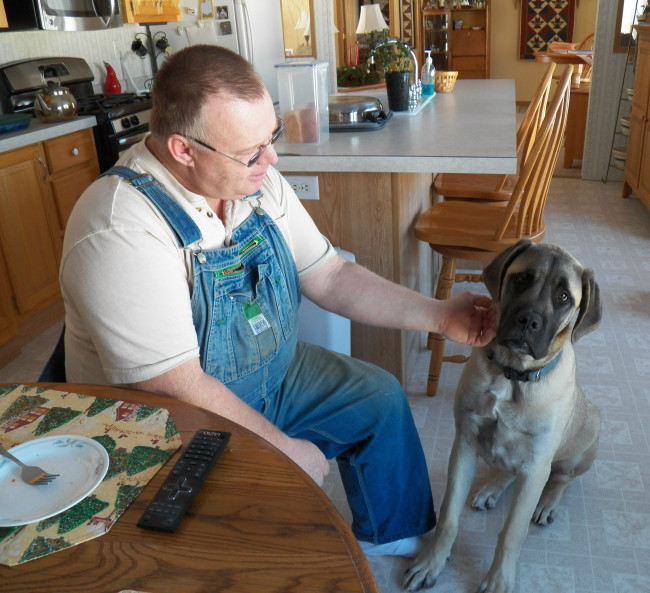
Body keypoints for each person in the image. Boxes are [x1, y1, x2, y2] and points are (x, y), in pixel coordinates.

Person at [60, 45, 495, 557]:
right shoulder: (119, 227)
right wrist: (285, 449)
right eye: (252, 151)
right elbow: (173, 383)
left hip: (272, 373)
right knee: (251, 538)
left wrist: (440, 316)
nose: (273, 159)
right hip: (163, 419)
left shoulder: (251, 181)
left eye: (272, 137)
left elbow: (330, 275)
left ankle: (389, 537)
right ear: (183, 149)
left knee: (379, 398)